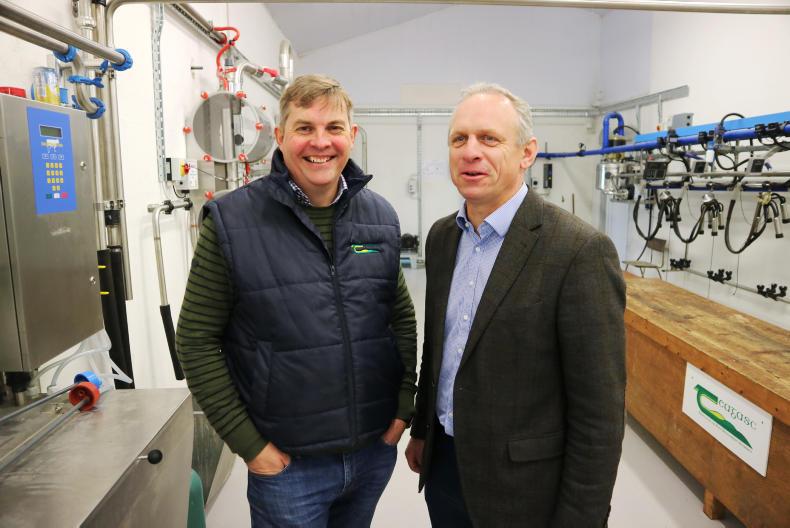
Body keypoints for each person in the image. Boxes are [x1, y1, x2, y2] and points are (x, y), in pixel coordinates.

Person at [176, 74, 417, 527]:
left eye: (334, 128)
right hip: (288, 466)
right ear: (281, 136)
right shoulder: (231, 221)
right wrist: (252, 447)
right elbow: (196, 339)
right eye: (305, 127)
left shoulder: (379, 217)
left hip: (371, 452)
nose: (320, 142)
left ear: (351, 135)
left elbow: (398, 315)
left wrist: (404, 407)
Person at [404, 83, 626, 527]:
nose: (471, 152)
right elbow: (440, 346)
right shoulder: (443, 237)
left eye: (489, 138)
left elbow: (599, 414)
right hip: (444, 465)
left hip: (524, 488)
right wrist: (424, 430)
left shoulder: (578, 251)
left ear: (527, 153)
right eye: (459, 139)